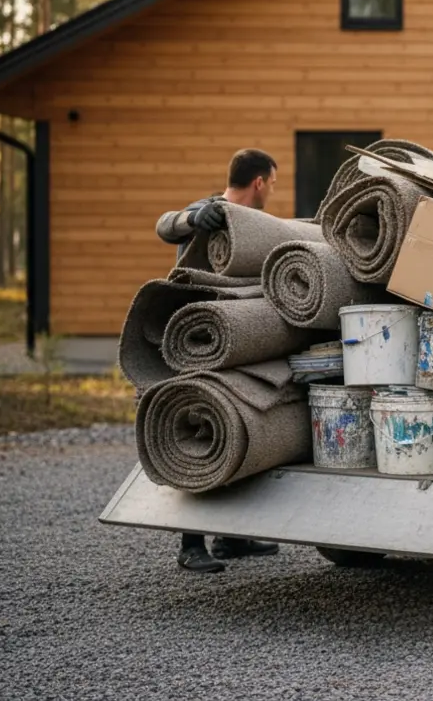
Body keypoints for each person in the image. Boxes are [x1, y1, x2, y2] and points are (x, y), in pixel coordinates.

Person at [154, 148, 283, 573]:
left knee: (240, 425)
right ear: (259, 182)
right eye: (272, 184)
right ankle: (191, 546)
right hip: (199, 339)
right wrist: (194, 220)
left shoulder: (254, 225)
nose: (272, 192)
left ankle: (232, 538)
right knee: (201, 432)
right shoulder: (208, 210)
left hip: (235, 339)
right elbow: (165, 225)